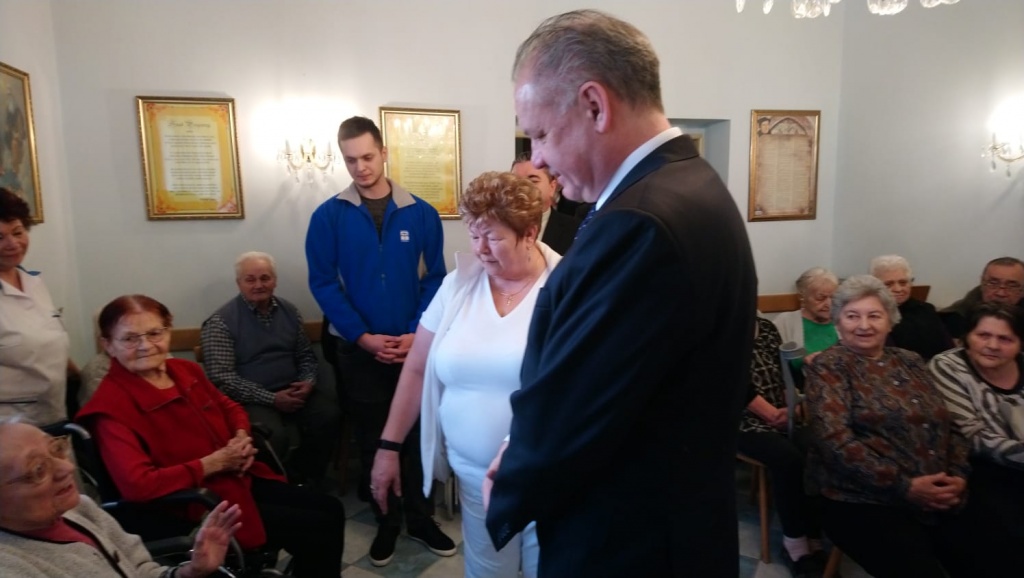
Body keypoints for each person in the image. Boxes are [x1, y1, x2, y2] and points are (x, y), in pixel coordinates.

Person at [484, 10, 757, 577]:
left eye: (540, 133)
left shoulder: (640, 221)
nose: (536, 158)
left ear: (595, 105)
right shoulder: (691, 183)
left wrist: (513, 480)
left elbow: (580, 403)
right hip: (676, 522)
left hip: (630, 543)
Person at [371, 171, 558, 578]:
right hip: (473, 475)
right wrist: (389, 446)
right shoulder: (459, 285)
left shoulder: (565, 286)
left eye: (493, 237)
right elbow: (417, 367)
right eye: (474, 235)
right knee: (487, 571)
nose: (480, 249)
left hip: (546, 478)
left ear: (529, 233)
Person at [76, 295, 344, 577]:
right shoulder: (109, 409)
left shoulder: (185, 370)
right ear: (108, 345)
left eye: (154, 333)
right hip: (192, 505)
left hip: (234, 480)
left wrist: (240, 437)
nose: (145, 345)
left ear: (168, 331)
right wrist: (215, 462)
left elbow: (230, 407)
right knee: (317, 527)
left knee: (330, 509)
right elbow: (138, 485)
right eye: (130, 338)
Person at [305, 116, 453, 567]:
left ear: (384, 152)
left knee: (417, 435)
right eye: (350, 160)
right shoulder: (328, 216)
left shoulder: (421, 213)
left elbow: (436, 280)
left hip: (413, 346)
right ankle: (386, 522)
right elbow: (323, 284)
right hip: (359, 351)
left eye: (367, 157)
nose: (360, 167)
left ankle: (421, 519)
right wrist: (363, 337)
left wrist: (415, 333)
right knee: (374, 439)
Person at [805, 275, 973, 578]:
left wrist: (958, 475)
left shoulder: (910, 361)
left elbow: (950, 425)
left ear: (890, 321)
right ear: (838, 322)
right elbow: (834, 442)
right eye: (852, 316)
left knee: (992, 559)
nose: (864, 325)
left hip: (937, 491)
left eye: (874, 315)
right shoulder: (830, 366)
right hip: (861, 499)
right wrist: (906, 486)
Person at [0, 418, 242, 578]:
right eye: (38, 470)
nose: (67, 467)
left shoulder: (81, 509)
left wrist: (188, 572)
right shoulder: (11, 567)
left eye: (56, 449)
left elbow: (139, 570)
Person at [201, 251, 339, 486]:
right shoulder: (220, 322)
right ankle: (276, 485)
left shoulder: (290, 311)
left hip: (293, 389)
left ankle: (304, 476)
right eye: (250, 279)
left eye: (265, 278)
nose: (258, 285)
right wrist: (272, 399)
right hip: (250, 398)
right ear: (239, 283)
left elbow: (305, 356)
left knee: (329, 415)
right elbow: (222, 378)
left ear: (274, 280)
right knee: (272, 435)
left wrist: (308, 382)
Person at [929, 303, 1024, 571]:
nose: (992, 345)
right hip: (975, 469)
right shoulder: (948, 366)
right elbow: (973, 436)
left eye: (1005, 339)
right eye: (983, 335)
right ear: (966, 337)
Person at [738, 318, 824, 577]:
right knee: (788, 459)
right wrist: (771, 414)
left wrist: (793, 407)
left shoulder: (766, 327)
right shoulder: (721, 332)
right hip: (742, 421)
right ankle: (794, 542)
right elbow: (731, 382)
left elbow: (785, 371)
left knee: (816, 449)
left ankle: (814, 535)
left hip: (783, 414)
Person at [0, 186, 77, 426]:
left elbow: (48, 339)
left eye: (18, 232)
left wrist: (80, 381)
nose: (13, 244)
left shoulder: (33, 282)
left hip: (54, 414)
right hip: (11, 428)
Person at [870, 254, 953, 360]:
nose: (898, 289)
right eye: (888, 284)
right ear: (875, 286)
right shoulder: (872, 316)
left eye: (903, 282)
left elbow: (949, 350)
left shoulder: (926, 310)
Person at [510, 154, 581, 255]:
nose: (523, 188)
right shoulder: (497, 227)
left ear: (552, 186)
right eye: (516, 182)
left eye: (533, 181)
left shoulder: (576, 230)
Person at [941, 256, 1024, 339]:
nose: (1001, 293)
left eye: (1012, 286)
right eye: (993, 283)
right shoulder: (956, 317)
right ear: (982, 283)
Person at [773, 266, 839, 368]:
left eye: (833, 298)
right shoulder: (784, 322)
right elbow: (774, 362)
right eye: (821, 298)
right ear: (802, 297)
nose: (829, 304)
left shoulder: (842, 321)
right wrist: (803, 362)